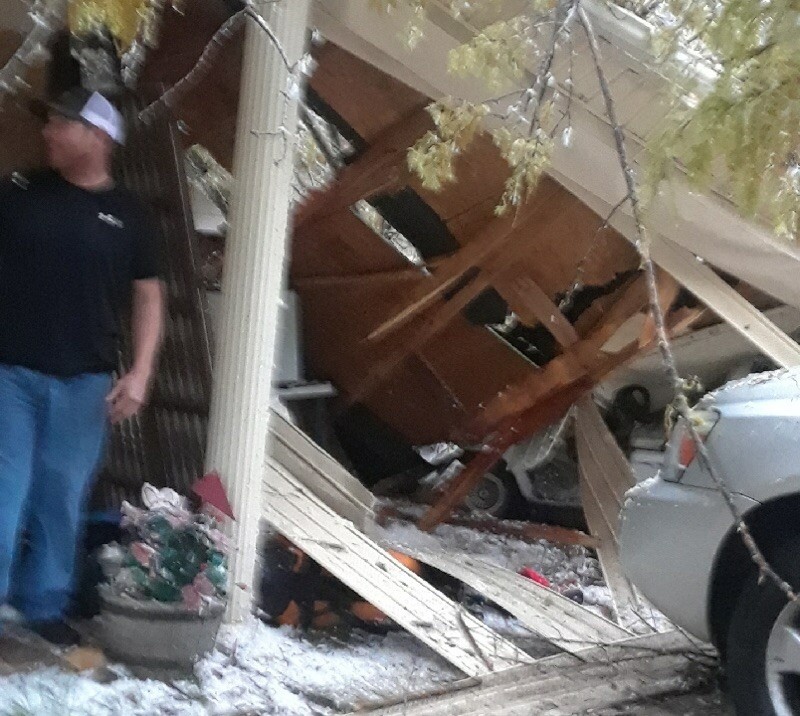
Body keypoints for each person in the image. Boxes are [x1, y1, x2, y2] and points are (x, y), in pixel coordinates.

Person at [0, 87, 165, 645]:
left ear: (98, 135)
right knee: (4, 492)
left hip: (85, 385)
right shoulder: (18, 193)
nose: (47, 133)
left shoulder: (129, 215)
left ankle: (41, 607)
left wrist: (140, 372)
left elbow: (148, 296)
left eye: (59, 125)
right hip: (10, 375)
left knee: (60, 499)